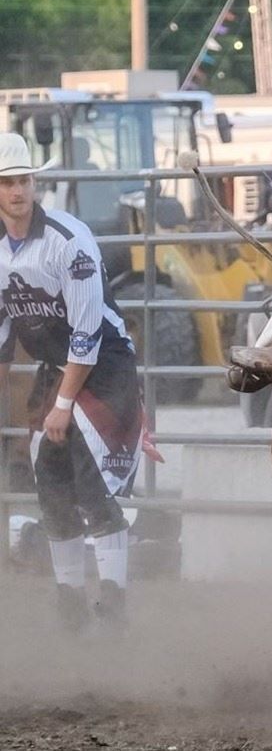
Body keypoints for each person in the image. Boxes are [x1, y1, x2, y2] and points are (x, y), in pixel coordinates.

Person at [0, 133, 143, 632]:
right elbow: (2, 334)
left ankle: (113, 605)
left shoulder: (69, 239)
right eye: (8, 182)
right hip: (55, 365)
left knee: (93, 483)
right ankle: (69, 606)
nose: (18, 191)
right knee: (52, 485)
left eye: (24, 180)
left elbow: (88, 330)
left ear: (35, 184)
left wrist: (63, 404)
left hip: (104, 365)